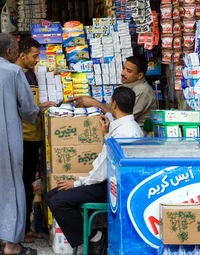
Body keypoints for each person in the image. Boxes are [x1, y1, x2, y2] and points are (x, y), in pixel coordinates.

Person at [0, 33, 55, 255]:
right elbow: (27, 109)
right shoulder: (15, 72)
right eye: (15, 49)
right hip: (4, 137)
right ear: (8, 52)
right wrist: (38, 110)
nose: (17, 52)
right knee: (10, 187)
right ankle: (11, 245)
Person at [46, 87, 144, 251]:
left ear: (114, 103)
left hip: (111, 187)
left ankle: (95, 237)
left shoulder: (124, 132)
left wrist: (77, 183)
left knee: (57, 200)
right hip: (111, 183)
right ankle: (92, 236)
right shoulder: (129, 128)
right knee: (53, 195)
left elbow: (102, 170)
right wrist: (106, 134)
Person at [73, 55, 158, 131]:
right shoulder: (128, 87)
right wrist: (90, 101)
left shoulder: (143, 91)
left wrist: (96, 104)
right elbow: (111, 109)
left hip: (134, 139)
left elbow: (122, 119)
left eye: (128, 71)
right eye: (123, 68)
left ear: (139, 75)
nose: (122, 73)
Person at [15, 37, 43, 243]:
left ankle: (26, 226)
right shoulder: (16, 76)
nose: (37, 60)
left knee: (27, 184)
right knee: (22, 183)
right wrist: (38, 109)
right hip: (21, 137)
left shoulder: (31, 73)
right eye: (34, 56)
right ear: (22, 55)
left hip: (33, 136)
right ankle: (21, 230)